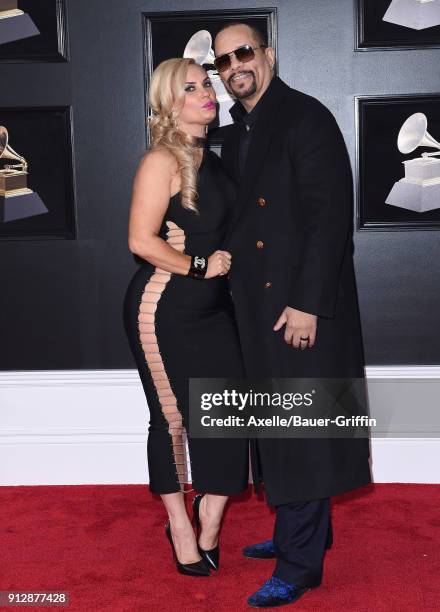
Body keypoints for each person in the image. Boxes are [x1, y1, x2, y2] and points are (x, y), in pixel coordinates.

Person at [213, 23, 372, 607]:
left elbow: (329, 219)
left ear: (269, 55)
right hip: (258, 305)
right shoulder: (240, 131)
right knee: (280, 421)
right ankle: (298, 531)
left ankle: (300, 565)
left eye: (245, 53)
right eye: (225, 60)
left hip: (299, 305)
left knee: (303, 428)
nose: (235, 65)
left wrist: (306, 302)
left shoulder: (306, 117)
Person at [123, 57, 249, 577]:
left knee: (227, 413)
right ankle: (179, 527)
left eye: (207, 85)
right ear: (169, 104)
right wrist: (199, 266)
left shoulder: (213, 159)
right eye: (191, 88)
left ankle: (210, 517)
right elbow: (139, 240)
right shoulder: (162, 160)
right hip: (165, 308)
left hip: (214, 310)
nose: (207, 94)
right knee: (173, 420)